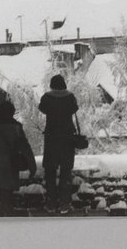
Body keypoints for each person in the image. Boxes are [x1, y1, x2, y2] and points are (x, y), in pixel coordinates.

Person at [39, 74, 79, 214]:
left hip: (52, 138)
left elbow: (42, 109)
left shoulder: (46, 98)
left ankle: (50, 203)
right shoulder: (70, 97)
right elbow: (75, 109)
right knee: (65, 171)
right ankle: (64, 203)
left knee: (50, 172)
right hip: (67, 138)